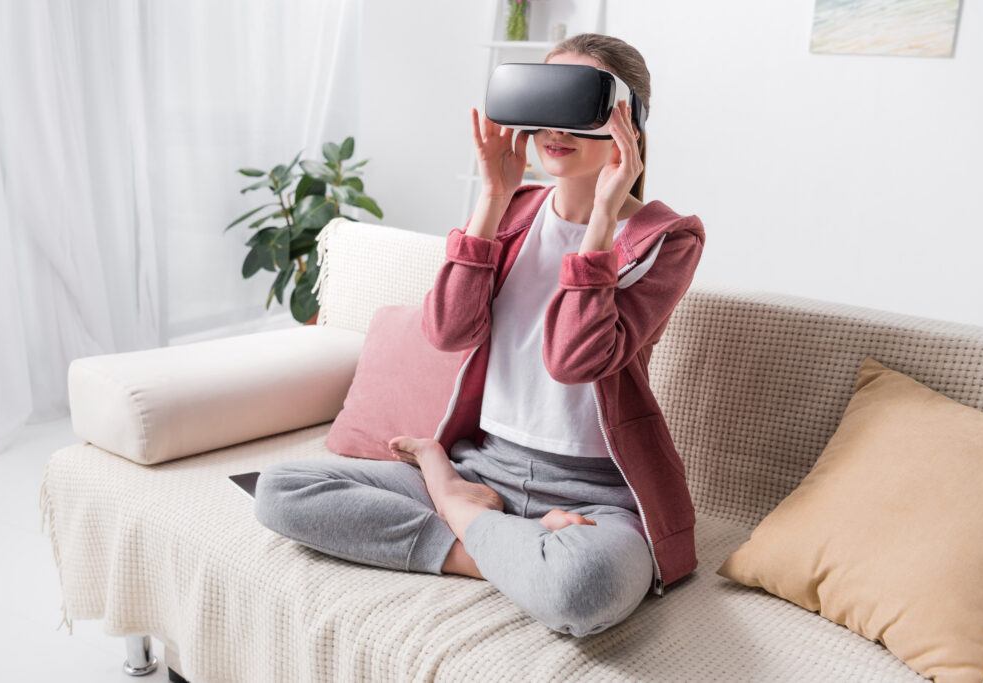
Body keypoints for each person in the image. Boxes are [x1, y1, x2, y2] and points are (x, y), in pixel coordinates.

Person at [254, 33, 705, 638]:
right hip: (484, 467)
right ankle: (493, 536)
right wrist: (491, 199)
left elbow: (575, 359)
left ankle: (453, 504)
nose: (555, 127)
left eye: (578, 103)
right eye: (544, 102)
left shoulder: (665, 239)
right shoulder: (515, 211)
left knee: (585, 590)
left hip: (594, 492)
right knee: (281, 491)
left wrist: (600, 221)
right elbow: (445, 330)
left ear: (629, 120)